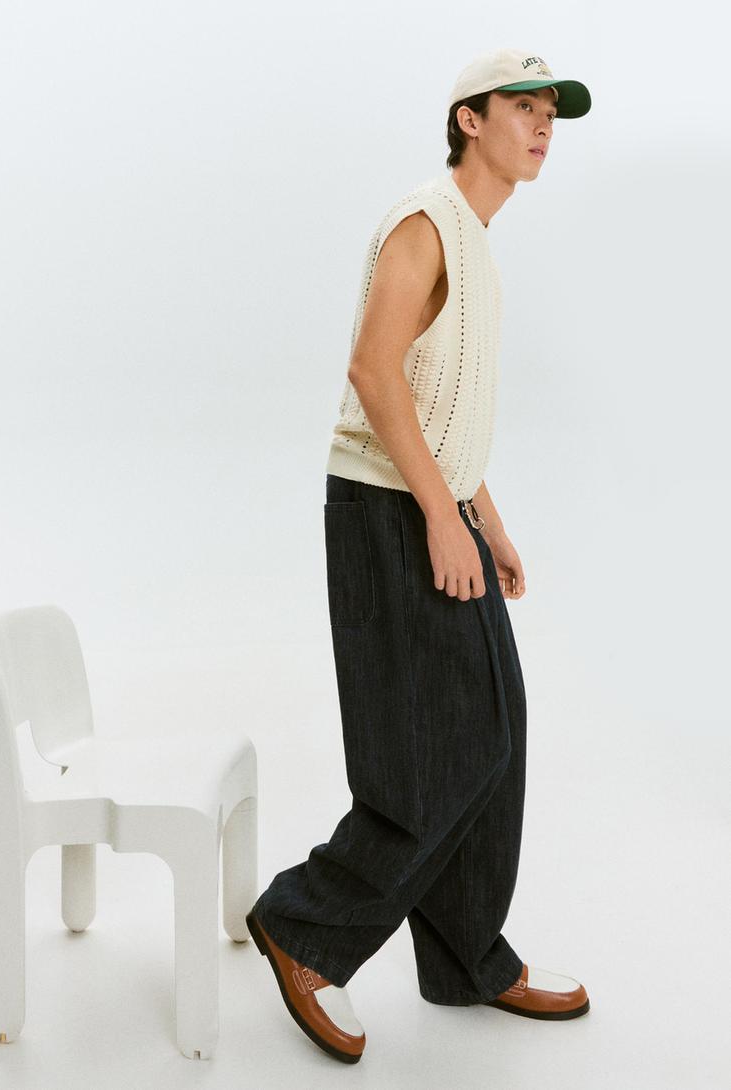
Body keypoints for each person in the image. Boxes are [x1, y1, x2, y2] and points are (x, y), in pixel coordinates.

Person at [245, 47, 593, 1065]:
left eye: (551, 112)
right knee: (432, 753)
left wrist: (484, 514)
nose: (542, 125)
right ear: (468, 120)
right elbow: (372, 370)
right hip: (385, 511)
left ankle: (465, 956)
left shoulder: (475, 241)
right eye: (522, 107)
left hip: (435, 505)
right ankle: (303, 928)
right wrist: (443, 517)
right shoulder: (424, 222)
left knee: (495, 733)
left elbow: (441, 404)